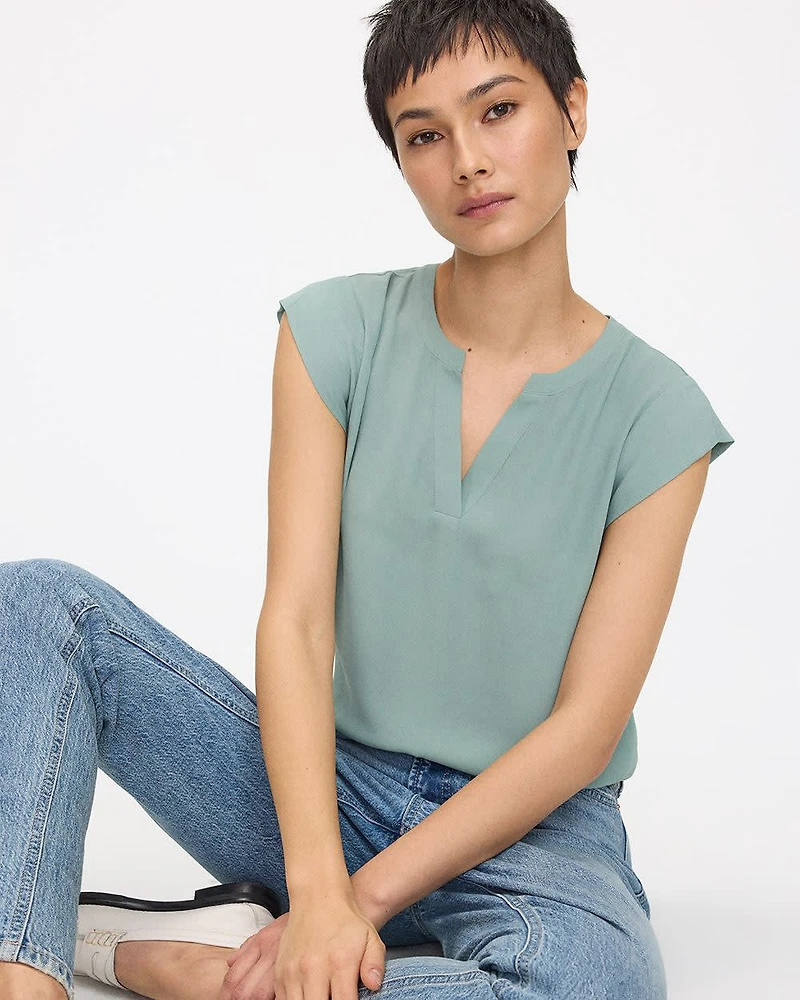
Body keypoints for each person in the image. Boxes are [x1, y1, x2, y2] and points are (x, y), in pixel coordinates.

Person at [0, 2, 735, 999]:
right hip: (325, 797)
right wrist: (318, 884)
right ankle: (25, 973)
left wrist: (353, 904)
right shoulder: (334, 331)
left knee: (599, 982)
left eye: (498, 110)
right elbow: (297, 621)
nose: (467, 161)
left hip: (534, 837)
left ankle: (183, 968)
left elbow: (584, 730)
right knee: (38, 604)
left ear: (572, 109)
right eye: (424, 135)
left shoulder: (658, 412)